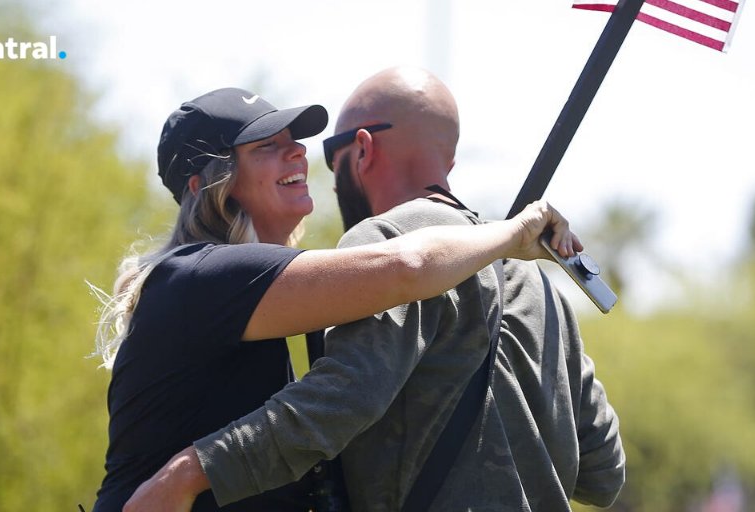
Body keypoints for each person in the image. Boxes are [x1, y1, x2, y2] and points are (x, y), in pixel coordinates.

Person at [127, 69, 625, 511]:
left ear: (362, 149)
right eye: (268, 146)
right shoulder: (540, 281)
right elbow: (604, 476)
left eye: (325, 150)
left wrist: (194, 471)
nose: (301, 155)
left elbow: (341, 402)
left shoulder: (380, 241)